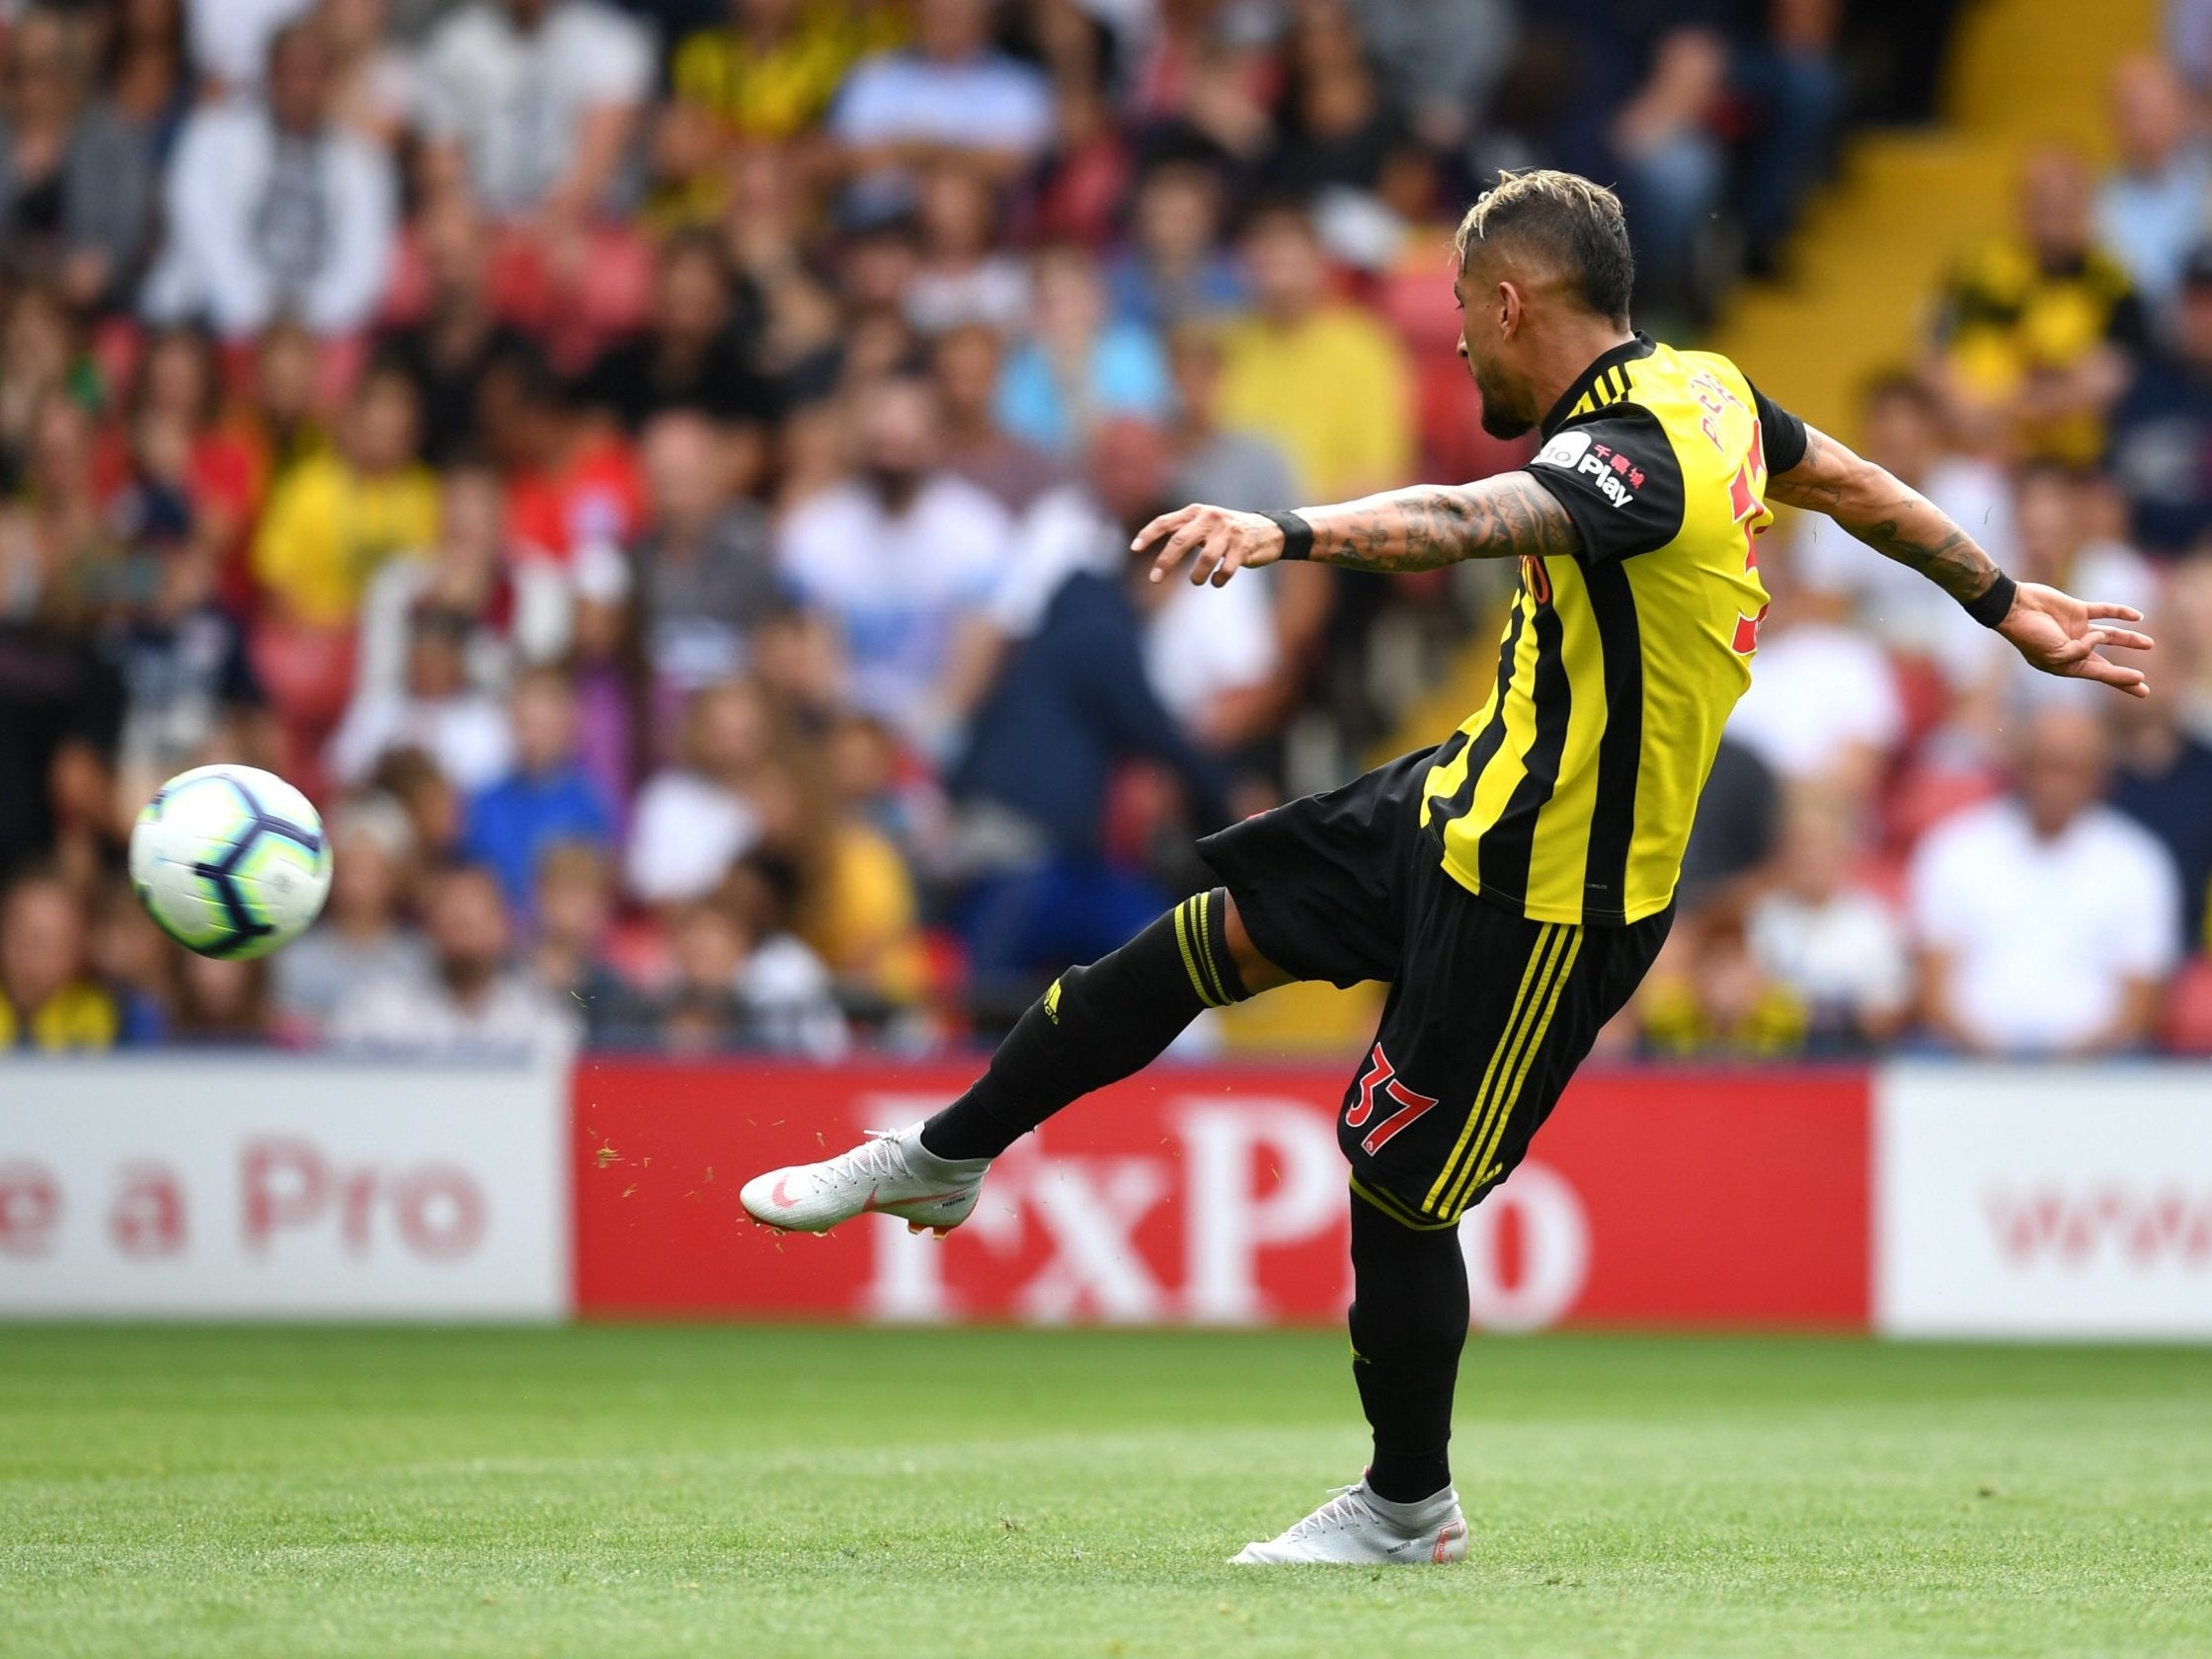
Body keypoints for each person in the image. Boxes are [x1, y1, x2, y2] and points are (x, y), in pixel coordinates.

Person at [739, 170, 2156, 1565]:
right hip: (1463, 803)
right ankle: (945, 1155)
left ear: (1510, 298)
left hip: (1554, 902)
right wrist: (2003, 598)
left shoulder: (1633, 457)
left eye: (1463, 316)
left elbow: (1477, 521)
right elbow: (1838, 476)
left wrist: (1284, 531)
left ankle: (1409, 1509)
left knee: (1395, 1184)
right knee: (1202, 943)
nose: (1461, 343)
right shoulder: (1712, 392)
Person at [1909, 705, 2181, 1056]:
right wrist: (1999, 1063)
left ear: (2100, 777)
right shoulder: (1953, 850)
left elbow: (2141, 1007)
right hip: (1966, 1060)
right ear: (2019, 767)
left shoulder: (2138, 862)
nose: (2055, 782)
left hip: (2102, 1069)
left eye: (2071, 769)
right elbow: (1933, 993)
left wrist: (2062, 1069)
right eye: (2045, 764)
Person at [142, 18, 397, 341]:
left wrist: (305, 328)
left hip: (320, 338)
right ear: (269, 75)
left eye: (312, 73)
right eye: (291, 71)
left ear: (329, 80)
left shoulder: (363, 162)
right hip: (216, 323)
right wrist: (255, 317)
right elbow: (202, 233)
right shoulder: (212, 135)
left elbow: (362, 270)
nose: (301, 86)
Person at [331, 860, 576, 1053]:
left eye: (470, 924)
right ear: (429, 929)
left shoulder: (536, 1017)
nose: (461, 937)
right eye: (451, 923)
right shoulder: (381, 1012)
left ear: (502, 929)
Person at [461, 666, 614, 917]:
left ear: (566, 725)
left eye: (542, 725)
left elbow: (593, 889)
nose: (532, 737)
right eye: (524, 724)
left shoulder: (589, 803)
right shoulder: (484, 801)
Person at [0, 866, 118, 1050]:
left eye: (49, 945)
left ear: (81, 950)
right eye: (21, 939)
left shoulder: (122, 1021)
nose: (31, 958)